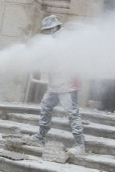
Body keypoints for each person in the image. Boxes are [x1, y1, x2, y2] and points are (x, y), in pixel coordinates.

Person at [28, 15, 85, 154]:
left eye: (49, 29)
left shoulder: (66, 38)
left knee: (72, 113)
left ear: (56, 27)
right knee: (46, 106)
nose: (47, 32)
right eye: (46, 30)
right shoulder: (53, 40)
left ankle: (80, 145)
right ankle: (41, 136)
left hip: (67, 83)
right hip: (55, 83)